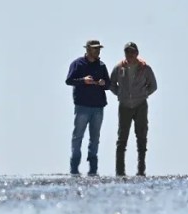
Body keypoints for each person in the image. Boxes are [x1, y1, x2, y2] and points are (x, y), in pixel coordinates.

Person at [110, 42, 158, 177]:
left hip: (140, 105)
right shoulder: (119, 68)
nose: (130, 55)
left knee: (141, 136)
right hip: (124, 105)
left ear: (137, 53)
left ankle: (141, 170)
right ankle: (120, 171)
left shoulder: (145, 68)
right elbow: (112, 84)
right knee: (122, 138)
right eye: (127, 52)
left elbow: (153, 86)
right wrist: (120, 94)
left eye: (132, 52)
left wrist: (143, 94)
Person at [65, 40, 111, 176]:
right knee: (78, 136)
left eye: (99, 49)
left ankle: (93, 168)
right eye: (95, 49)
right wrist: (83, 80)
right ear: (88, 49)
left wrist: (104, 83)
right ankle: (74, 166)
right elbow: (68, 81)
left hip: (98, 107)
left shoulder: (102, 66)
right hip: (82, 106)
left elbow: (108, 85)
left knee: (95, 137)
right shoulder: (77, 64)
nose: (97, 51)